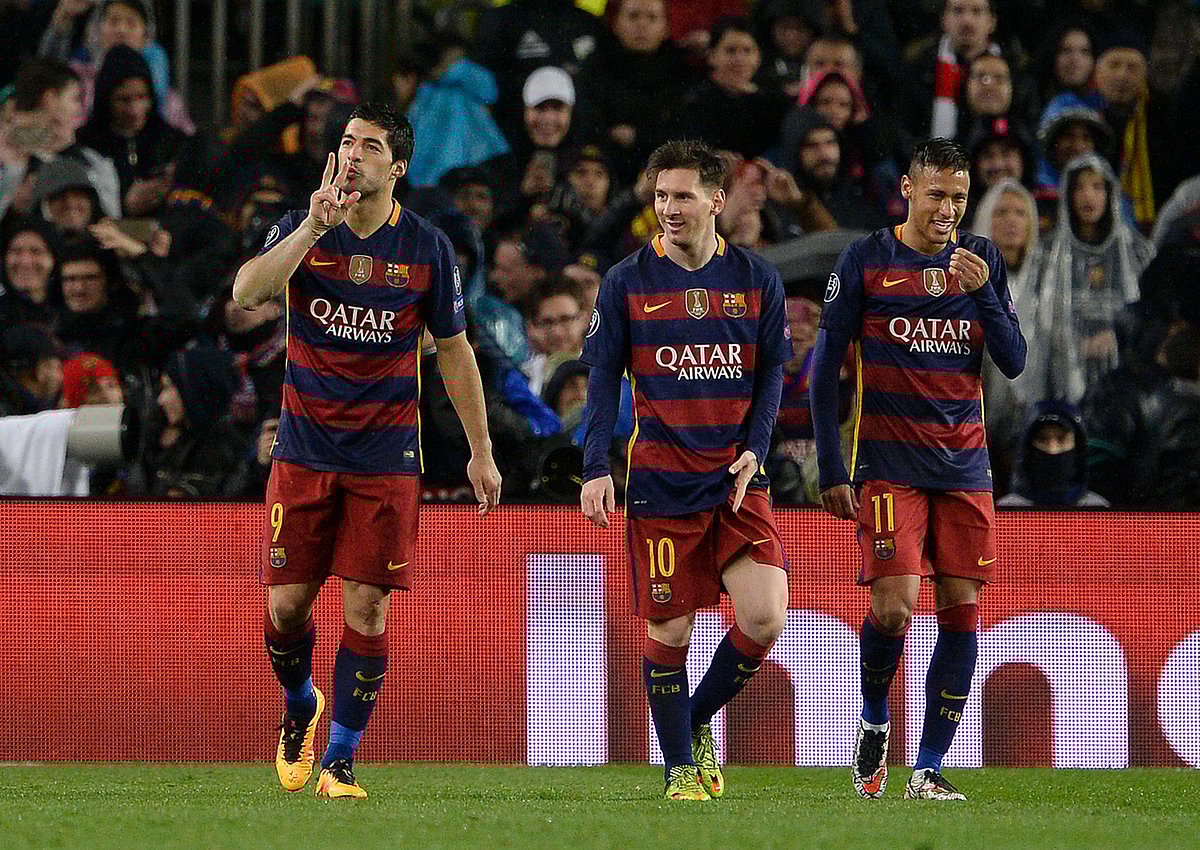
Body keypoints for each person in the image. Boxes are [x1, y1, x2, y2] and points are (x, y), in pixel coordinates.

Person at [231, 102, 502, 800]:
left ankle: (341, 761)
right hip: (303, 450)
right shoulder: (303, 225)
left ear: (398, 167)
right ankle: (300, 708)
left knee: (368, 609)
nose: (353, 155)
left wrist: (480, 451)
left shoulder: (427, 249)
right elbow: (248, 293)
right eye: (347, 142)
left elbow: (454, 350)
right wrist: (314, 226)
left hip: (385, 458)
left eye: (370, 146)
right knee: (288, 608)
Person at [810, 138, 1026, 801]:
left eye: (959, 198)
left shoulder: (981, 261)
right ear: (908, 188)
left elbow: (1014, 360)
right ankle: (875, 719)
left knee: (962, 611)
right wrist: (829, 466)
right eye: (936, 194)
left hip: (965, 467)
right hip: (888, 465)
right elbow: (824, 370)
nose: (947, 209)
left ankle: (927, 769)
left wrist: (984, 295)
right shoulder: (868, 259)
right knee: (896, 606)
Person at [580, 140, 792, 801]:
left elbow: (772, 373)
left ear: (716, 201)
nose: (669, 208)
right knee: (670, 628)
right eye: (661, 196)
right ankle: (678, 769)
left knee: (766, 617)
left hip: (735, 479)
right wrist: (594, 466)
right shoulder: (626, 282)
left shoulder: (757, 280)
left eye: (682, 196)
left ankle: (694, 719)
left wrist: (757, 446)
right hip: (663, 482)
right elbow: (599, 380)